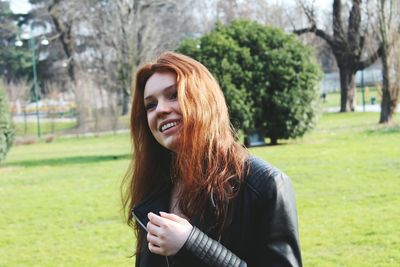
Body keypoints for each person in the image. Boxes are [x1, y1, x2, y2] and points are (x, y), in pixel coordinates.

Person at [123, 52, 302, 267]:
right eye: (150, 105)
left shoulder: (266, 185)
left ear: (204, 100)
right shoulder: (155, 190)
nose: (160, 109)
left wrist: (193, 244)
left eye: (173, 95)